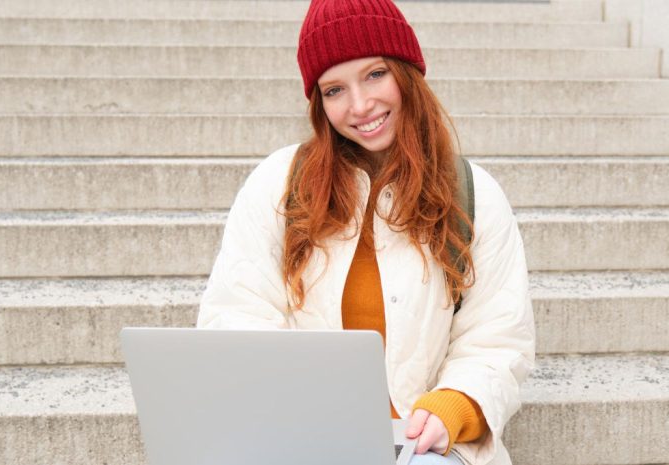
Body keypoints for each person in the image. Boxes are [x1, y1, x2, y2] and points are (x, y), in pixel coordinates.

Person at [197, 1, 535, 464]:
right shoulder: (278, 183)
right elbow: (237, 315)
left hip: (424, 445)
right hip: (302, 438)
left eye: (375, 74)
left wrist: (453, 405)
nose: (359, 106)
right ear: (319, 102)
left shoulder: (474, 195)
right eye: (335, 89)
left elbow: (498, 339)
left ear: (407, 74)